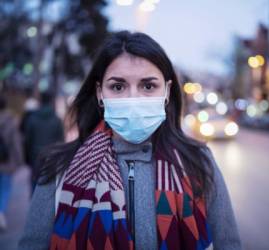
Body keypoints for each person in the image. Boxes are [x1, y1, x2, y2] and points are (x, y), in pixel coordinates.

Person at [18, 31, 242, 250]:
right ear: (99, 93)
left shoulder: (197, 162)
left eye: (148, 86)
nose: (133, 98)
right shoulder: (61, 167)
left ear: (167, 91)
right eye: (118, 86)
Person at [22, 91, 64, 193]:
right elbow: (61, 142)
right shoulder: (56, 120)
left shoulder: (32, 118)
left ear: (40, 101)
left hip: (35, 155)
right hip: (51, 156)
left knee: (34, 182)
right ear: (50, 101)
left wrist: (27, 158)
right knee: (49, 183)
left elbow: (27, 140)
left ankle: (33, 204)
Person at [0, 93, 23, 231]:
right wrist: (19, 161)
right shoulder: (10, 121)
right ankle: (0, 213)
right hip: (7, 163)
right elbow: (16, 143)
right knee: (5, 189)